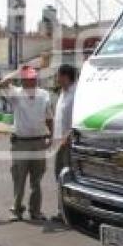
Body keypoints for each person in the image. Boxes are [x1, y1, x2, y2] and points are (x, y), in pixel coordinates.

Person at [1, 66, 53, 222]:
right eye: (27, 79)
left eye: (33, 79)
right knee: (19, 178)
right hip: (21, 143)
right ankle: (16, 210)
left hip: (38, 142)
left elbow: (49, 117)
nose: (31, 81)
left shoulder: (44, 95)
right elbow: (1, 84)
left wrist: (51, 136)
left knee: (36, 180)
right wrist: (17, 71)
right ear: (22, 81)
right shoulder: (16, 93)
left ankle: (35, 210)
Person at [52, 64, 77, 223]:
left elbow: (76, 120)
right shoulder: (63, 93)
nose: (56, 78)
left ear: (65, 76)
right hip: (59, 143)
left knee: (69, 178)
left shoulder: (77, 94)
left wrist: (67, 137)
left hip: (69, 143)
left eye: (58, 75)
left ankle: (71, 212)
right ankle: (62, 210)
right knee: (59, 177)